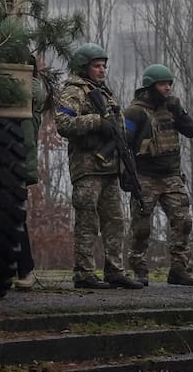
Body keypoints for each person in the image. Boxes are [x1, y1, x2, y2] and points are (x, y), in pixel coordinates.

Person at [55, 42, 143, 290]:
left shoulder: (104, 92)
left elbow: (117, 126)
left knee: (115, 221)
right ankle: (84, 273)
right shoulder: (74, 91)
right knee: (88, 222)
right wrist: (96, 121)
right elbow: (63, 123)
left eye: (104, 66)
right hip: (87, 168)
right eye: (97, 66)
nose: (102, 70)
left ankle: (115, 270)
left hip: (110, 167)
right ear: (84, 67)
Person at [123, 63, 193, 287]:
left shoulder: (173, 107)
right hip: (145, 176)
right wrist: (127, 175)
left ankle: (178, 269)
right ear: (150, 86)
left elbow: (192, 131)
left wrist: (180, 112)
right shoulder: (135, 111)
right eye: (162, 84)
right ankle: (139, 269)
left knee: (183, 221)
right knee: (141, 228)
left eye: (169, 84)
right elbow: (124, 142)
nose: (167, 88)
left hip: (171, 176)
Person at [13, 57, 52, 290]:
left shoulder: (32, 88)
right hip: (11, 161)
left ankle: (25, 269)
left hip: (17, 162)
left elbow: (30, 91)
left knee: (15, 216)